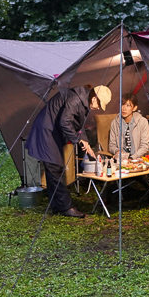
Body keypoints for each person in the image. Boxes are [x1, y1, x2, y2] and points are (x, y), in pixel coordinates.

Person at [26, 85, 111, 218]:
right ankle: (67, 207)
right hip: (46, 131)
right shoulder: (75, 99)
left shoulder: (83, 100)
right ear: (94, 98)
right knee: (55, 168)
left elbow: (79, 124)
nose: (98, 108)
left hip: (52, 132)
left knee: (53, 169)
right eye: (99, 104)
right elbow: (65, 122)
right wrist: (79, 140)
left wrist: (85, 142)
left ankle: (56, 206)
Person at [108, 92, 149, 163]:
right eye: (122, 105)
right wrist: (117, 151)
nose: (124, 108)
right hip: (121, 161)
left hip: (139, 160)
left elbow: (145, 146)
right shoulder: (115, 123)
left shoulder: (142, 122)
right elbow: (111, 146)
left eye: (128, 105)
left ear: (134, 108)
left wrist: (132, 158)